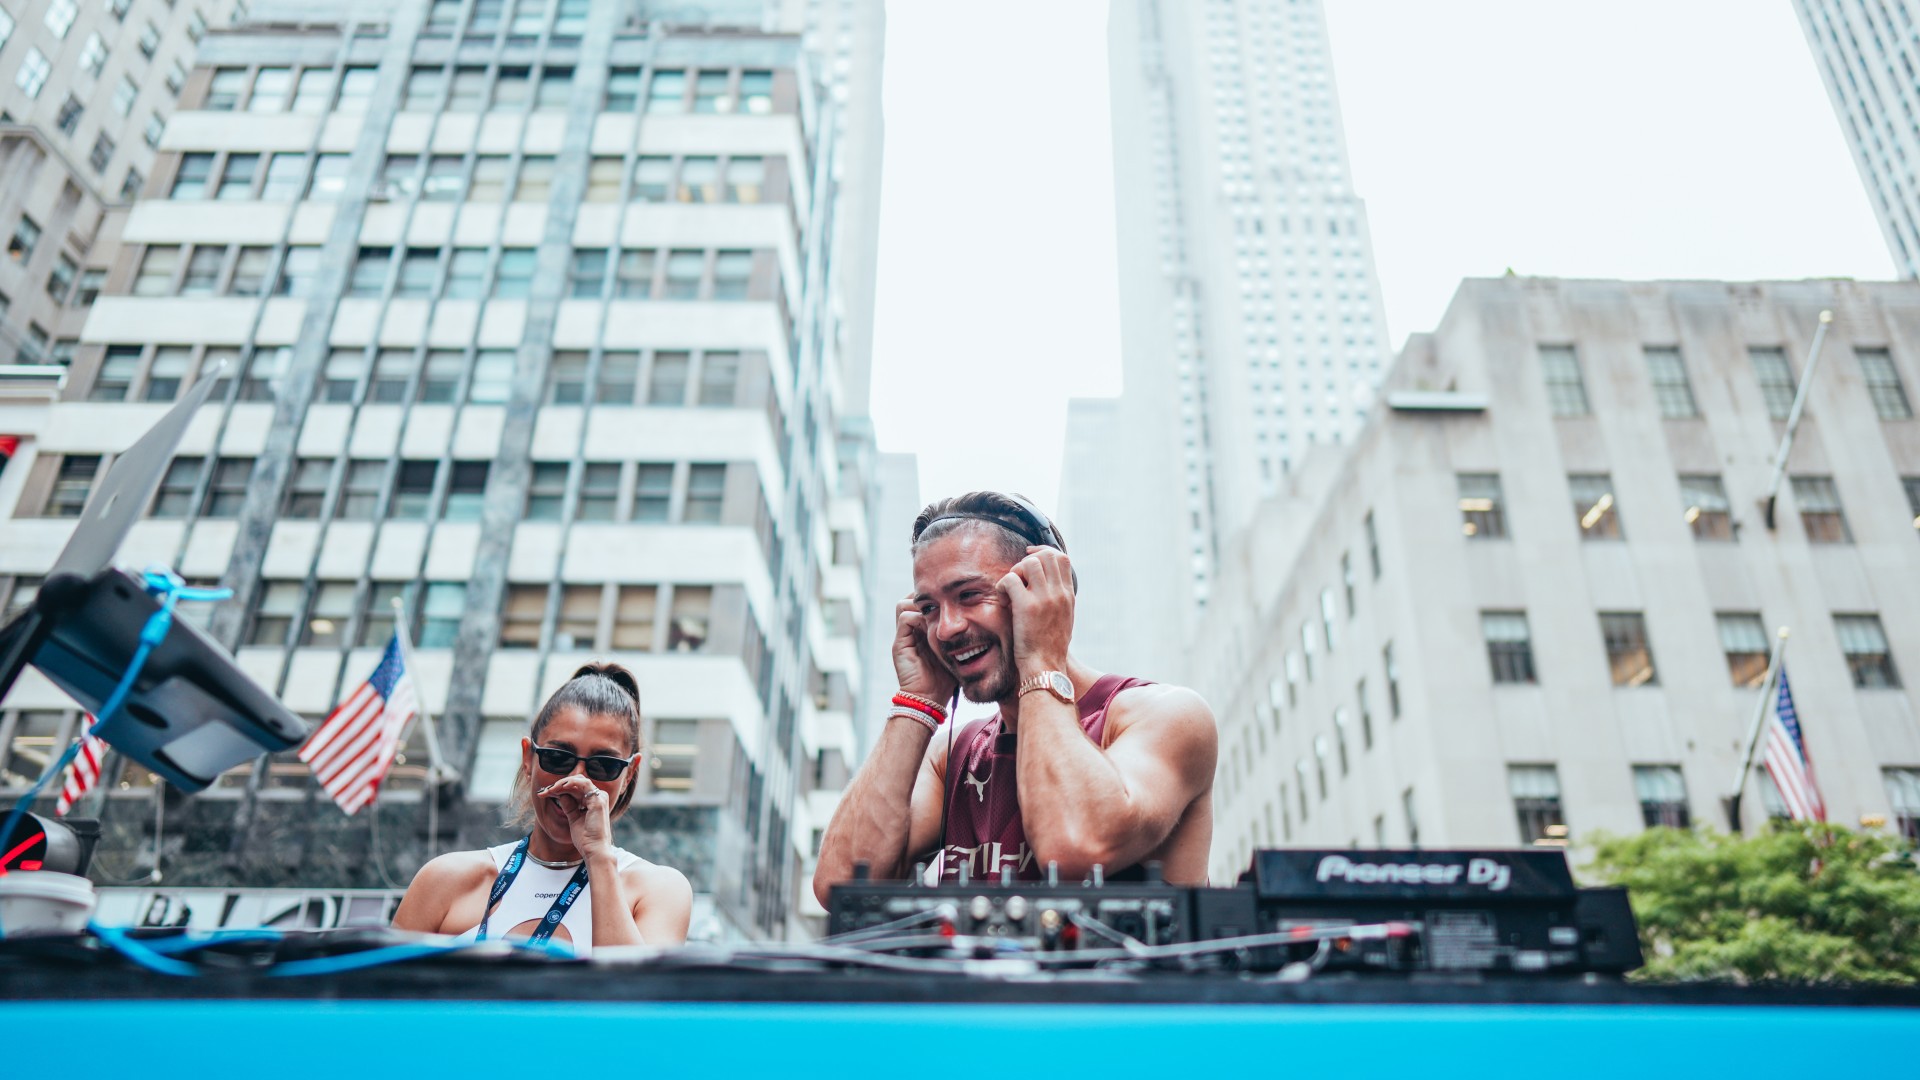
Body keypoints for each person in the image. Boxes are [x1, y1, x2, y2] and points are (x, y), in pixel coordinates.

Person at [812, 491, 1217, 902]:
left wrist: (1041, 660)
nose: (946, 628)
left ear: (1043, 592)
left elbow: (1075, 848)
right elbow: (841, 887)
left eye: (969, 595)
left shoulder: (1167, 716)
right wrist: (916, 701)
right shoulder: (952, 757)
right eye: (929, 608)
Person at [393, 662, 692, 951]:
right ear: (528, 759)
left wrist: (598, 857)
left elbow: (634, 998)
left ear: (629, 775)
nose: (577, 781)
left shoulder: (656, 889)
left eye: (603, 765)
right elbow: (376, 995)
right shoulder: (446, 879)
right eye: (558, 758)